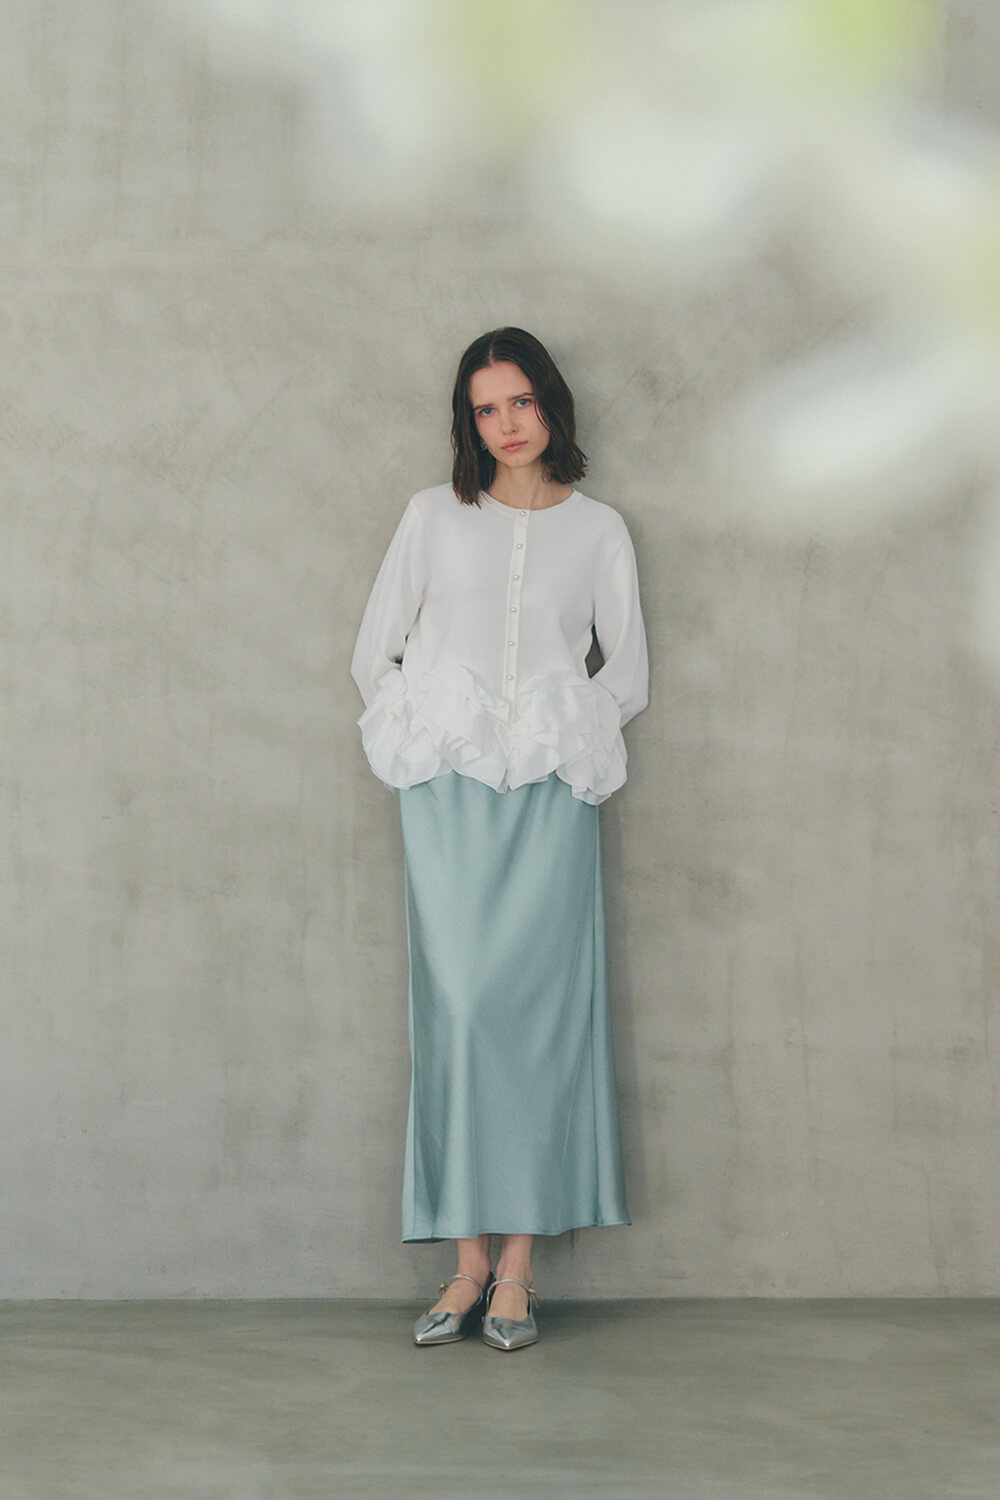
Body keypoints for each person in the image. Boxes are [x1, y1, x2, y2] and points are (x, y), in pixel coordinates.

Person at [350, 327, 648, 1350]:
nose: (506, 424)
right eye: (485, 409)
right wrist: (425, 734)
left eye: (520, 402)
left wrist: (559, 732)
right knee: (462, 1009)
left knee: (538, 1017)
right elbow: (375, 652)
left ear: (550, 404)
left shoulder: (600, 530)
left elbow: (626, 674)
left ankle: (513, 1268)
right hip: (445, 789)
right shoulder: (432, 517)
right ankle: (463, 1259)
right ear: (467, 424)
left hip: (553, 794)